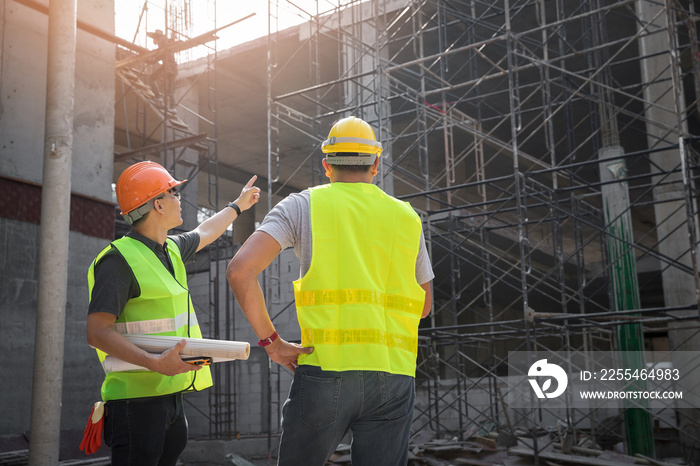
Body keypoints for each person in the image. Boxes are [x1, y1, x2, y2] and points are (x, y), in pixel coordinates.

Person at [227, 116, 434, 466]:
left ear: (326, 165)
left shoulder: (302, 205)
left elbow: (239, 270)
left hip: (326, 370)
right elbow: (424, 306)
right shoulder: (407, 217)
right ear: (376, 164)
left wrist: (272, 343)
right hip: (394, 376)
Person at [86, 160, 260, 465]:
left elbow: (206, 230)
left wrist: (238, 206)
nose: (179, 200)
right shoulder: (118, 261)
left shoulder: (171, 250)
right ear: (158, 206)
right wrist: (154, 363)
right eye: (173, 194)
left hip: (171, 399)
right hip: (135, 403)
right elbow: (97, 331)